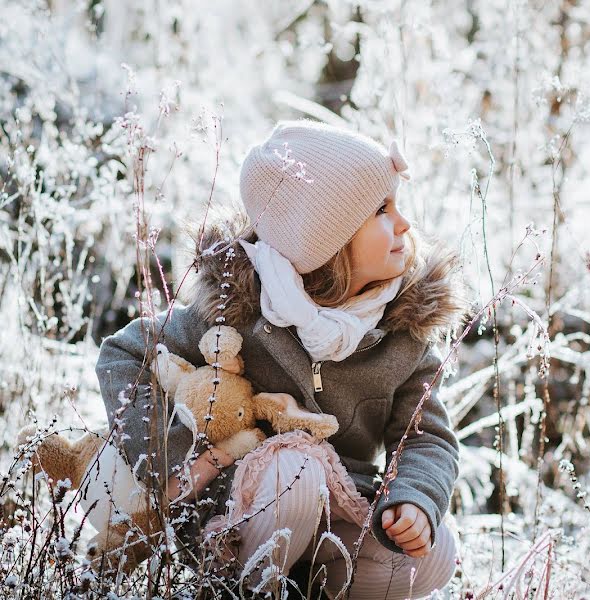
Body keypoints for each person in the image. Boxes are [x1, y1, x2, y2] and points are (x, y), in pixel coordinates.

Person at [94, 120, 469, 598]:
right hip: (235, 510)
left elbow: (427, 436)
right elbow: (124, 354)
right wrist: (174, 456)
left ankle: (303, 589)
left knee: (432, 557)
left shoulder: (402, 330)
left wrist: (415, 500)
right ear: (326, 244)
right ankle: (234, 587)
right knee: (295, 466)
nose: (404, 224)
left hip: (339, 509)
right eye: (381, 210)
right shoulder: (240, 310)